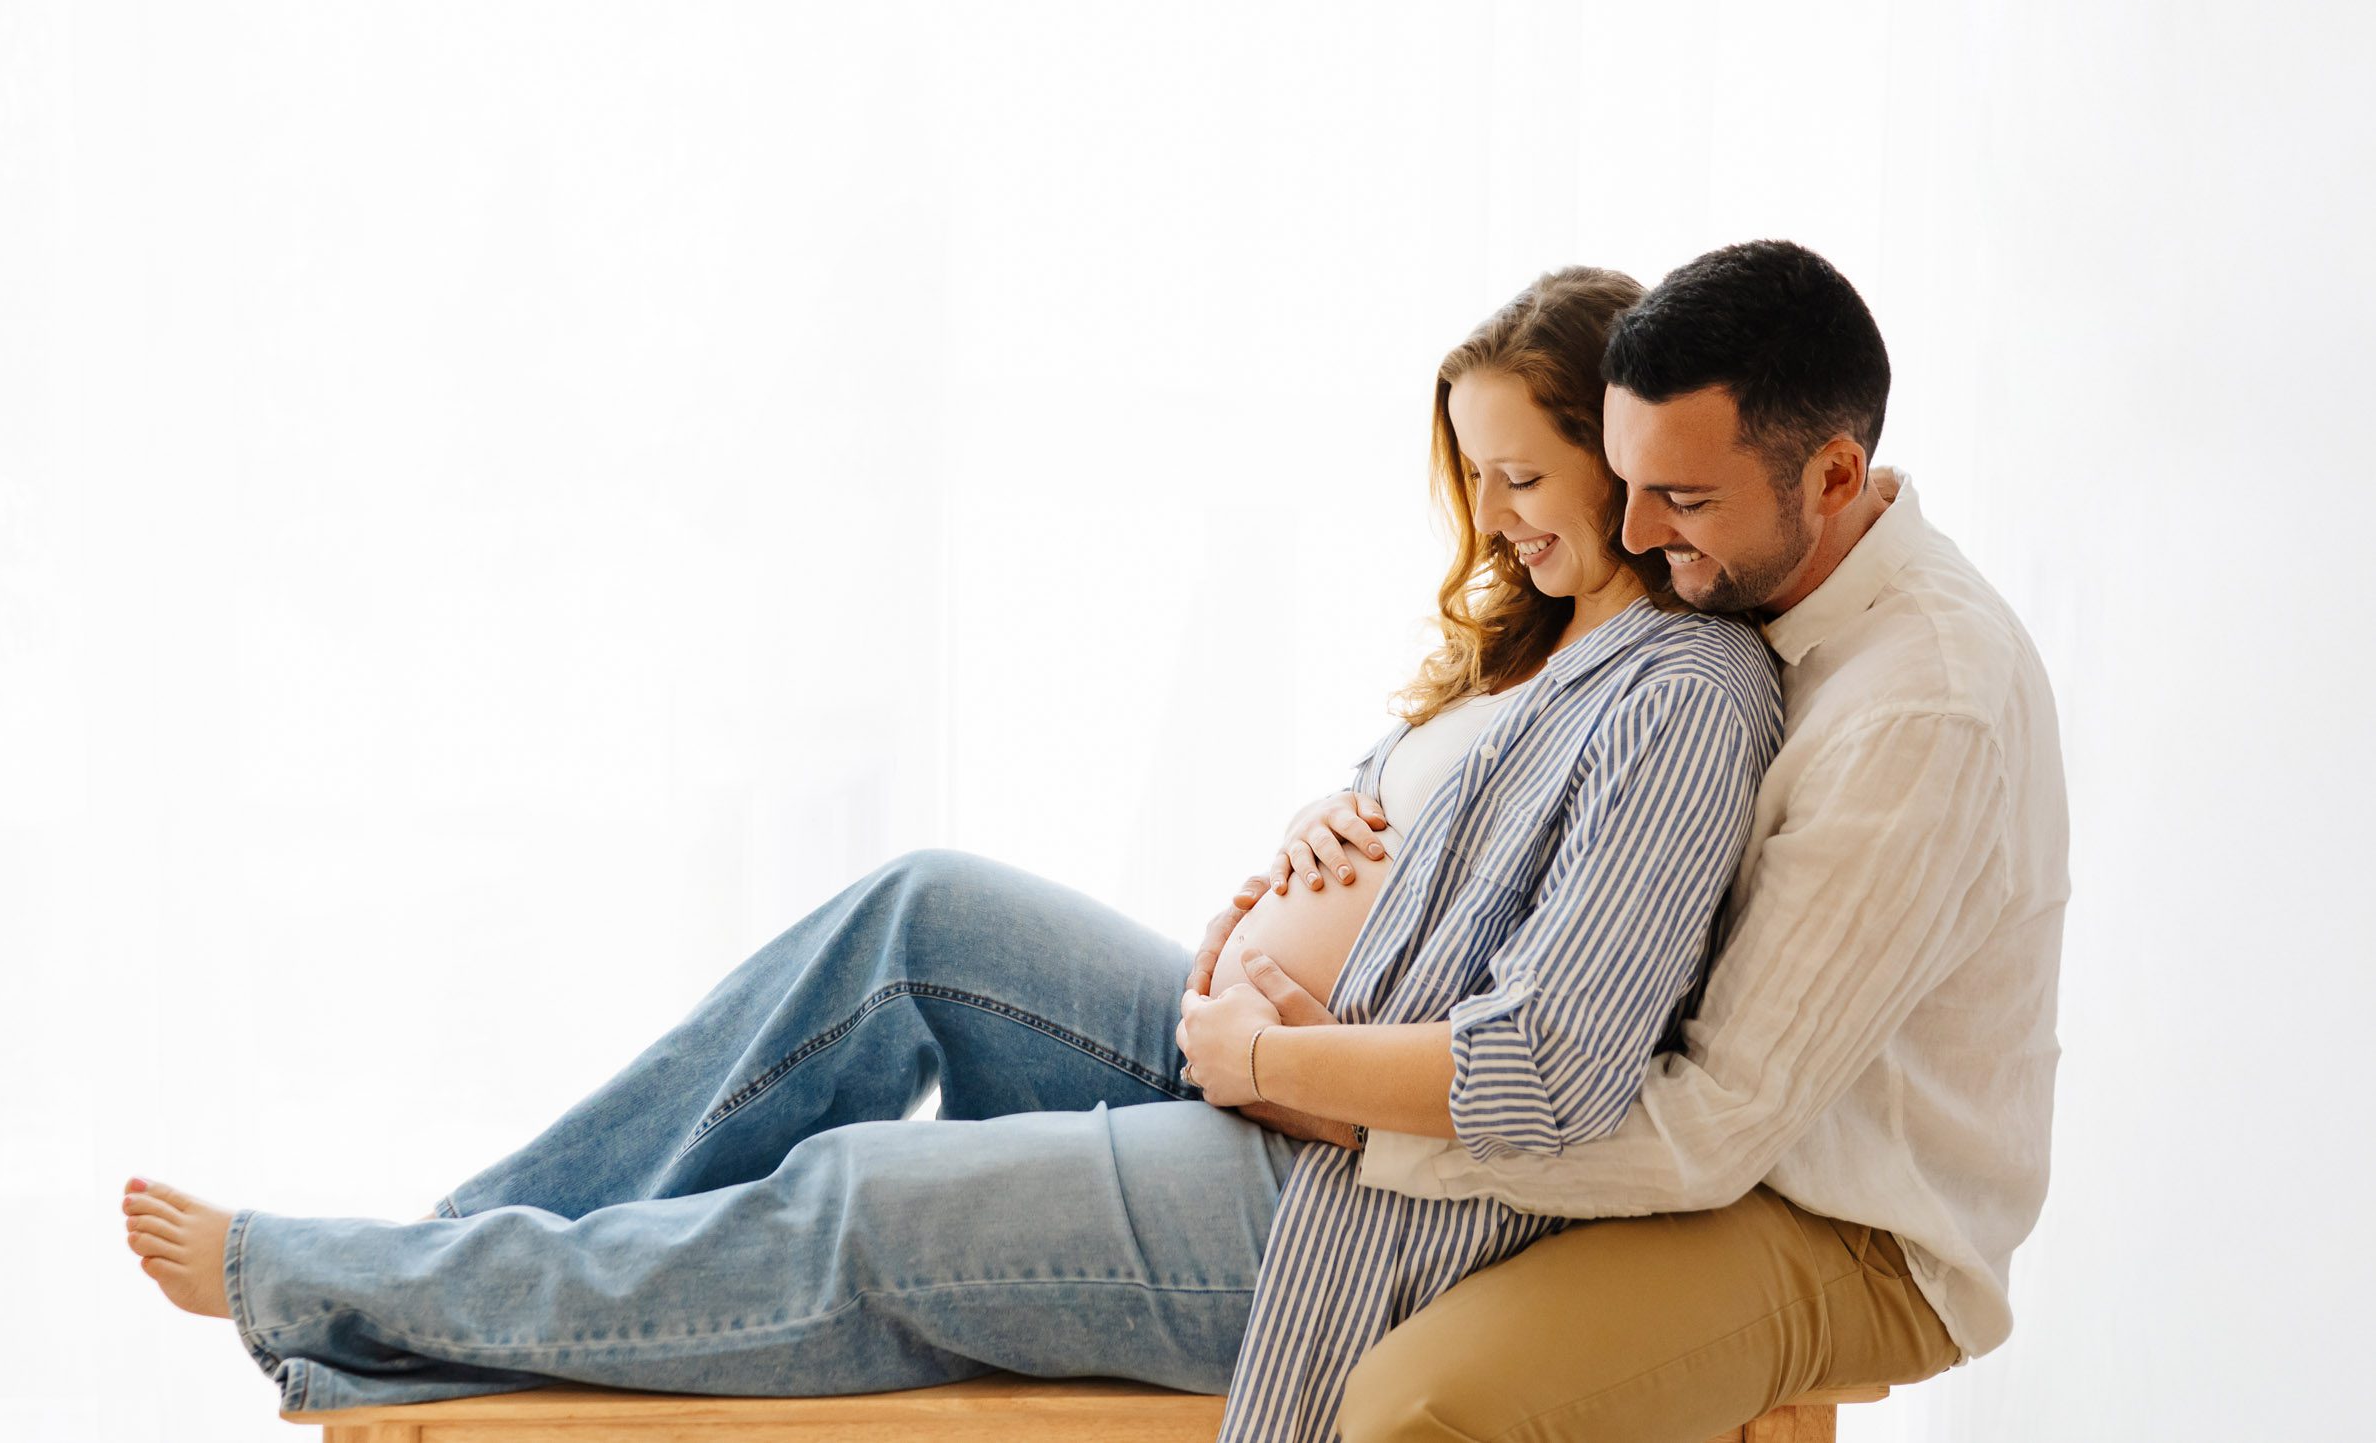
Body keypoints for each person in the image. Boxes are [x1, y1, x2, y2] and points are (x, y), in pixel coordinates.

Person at [118, 266, 1782, 1443]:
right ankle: (470, 1250)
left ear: (1626, 458)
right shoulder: (1535, 652)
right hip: (1256, 1066)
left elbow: (1547, 1062)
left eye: (1521, 474)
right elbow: (1397, 859)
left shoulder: (1681, 694)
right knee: (917, 912)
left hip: (1345, 1191)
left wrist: (1278, 1047)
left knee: (865, 1205)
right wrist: (1288, 874)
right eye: (1476, 476)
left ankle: (363, 1285)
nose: (1493, 517)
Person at [1323, 240, 2071, 1443]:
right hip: (1683, 1132)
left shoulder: (1918, 705)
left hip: (1844, 1219)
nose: (1631, 526)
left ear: (1833, 474)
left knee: (1420, 1409)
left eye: (1683, 498)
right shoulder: (1749, 592)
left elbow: (1720, 1120)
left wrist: (1373, 1123)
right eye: (1624, 479)